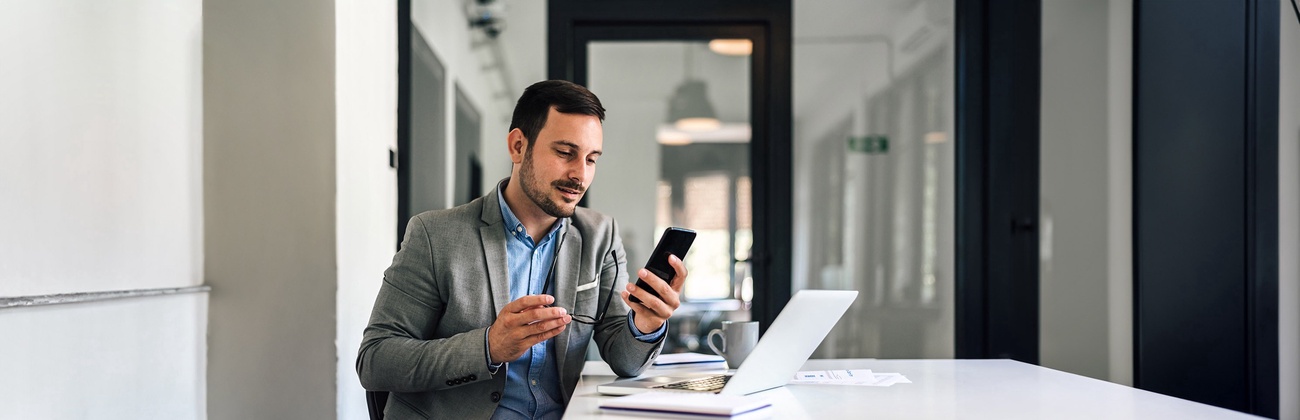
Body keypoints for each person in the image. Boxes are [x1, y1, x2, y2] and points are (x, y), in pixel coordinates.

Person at [357, 80, 689, 419]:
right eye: (565, 153)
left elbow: (626, 361)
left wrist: (645, 323)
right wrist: (489, 346)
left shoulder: (600, 236)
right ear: (518, 146)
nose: (580, 174)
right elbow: (376, 360)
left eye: (591, 159)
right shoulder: (435, 234)